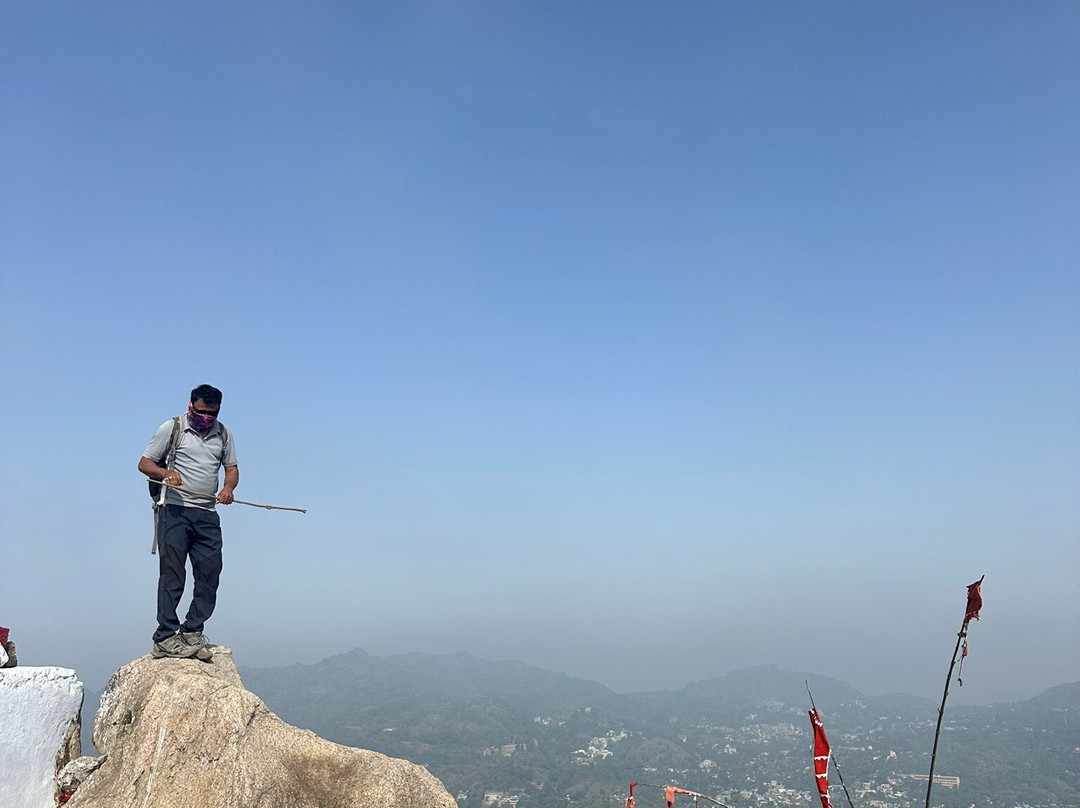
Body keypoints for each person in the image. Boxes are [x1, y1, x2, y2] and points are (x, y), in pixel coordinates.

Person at [138, 384, 238, 661]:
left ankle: (192, 631)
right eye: (201, 411)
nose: (206, 417)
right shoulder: (173, 428)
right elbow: (144, 463)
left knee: (209, 573)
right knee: (172, 575)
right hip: (174, 511)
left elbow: (231, 469)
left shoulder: (224, 434)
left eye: (211, 413)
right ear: (190, 405)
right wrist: (166, 473)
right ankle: (165, 637)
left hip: (207, 513)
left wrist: (228, 488)